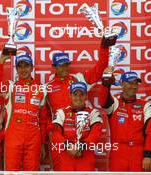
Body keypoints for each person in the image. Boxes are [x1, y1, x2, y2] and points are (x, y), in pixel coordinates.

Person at [46, 41, 109, 170]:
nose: (65, 68)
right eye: (61, 66)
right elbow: (46, 116)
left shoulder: (79, 79)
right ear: (54, 67)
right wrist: (54, 139)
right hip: (61, 141)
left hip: (83, 139)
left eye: (66, 65)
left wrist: (104, 47)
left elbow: (99, 68)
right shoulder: (47, 87)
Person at [0, 54, 47, 171]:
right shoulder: (10, 86)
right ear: (16, 69)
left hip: (33, 137)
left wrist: (42, 143)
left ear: (32, 68)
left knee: (32, 171)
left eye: (26, 66)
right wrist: (1, 62)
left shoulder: (41, 89)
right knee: (11, 170)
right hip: (13, 135)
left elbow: (42, 120)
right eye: (20, 66)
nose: (23, 69)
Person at [99, 71, 151, 171]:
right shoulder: (115, 103)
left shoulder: (146, 105)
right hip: (118, 152)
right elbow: (103, 101)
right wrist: (106, 84)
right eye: (131, 83)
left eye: (136, 83)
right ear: (122, 84)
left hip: (138, 154)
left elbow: (150, 132)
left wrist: (148, 155)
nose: (134, 86)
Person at [50, 81, 103, 171]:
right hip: (66, 155)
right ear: (70, 96)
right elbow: (55, 134)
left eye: (81, 94)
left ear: (86, 96)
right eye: (75, 94)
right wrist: (68, 146)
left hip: (85, 155)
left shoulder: (93, 113)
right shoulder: (61, 112)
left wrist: (81, 146)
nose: (78, 98)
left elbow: (96, 134)